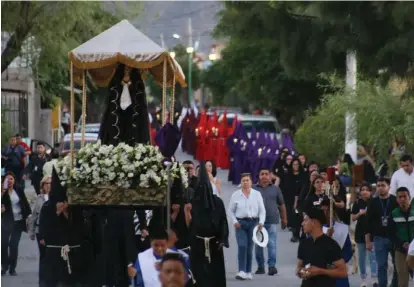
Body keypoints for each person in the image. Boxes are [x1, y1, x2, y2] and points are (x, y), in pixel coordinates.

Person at [39, 170, 88, 286]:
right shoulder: (47, 207)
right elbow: (44, 230)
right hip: (55, 256)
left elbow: (80, 228)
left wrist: (67, 213)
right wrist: (57, 212)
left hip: (74, 254)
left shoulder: (75, 209)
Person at [189, 163, 229, 287]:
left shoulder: (217, 202)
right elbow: (190, 225)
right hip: (197, 245)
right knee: (199, 276)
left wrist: (222, 239)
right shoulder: (192, 203)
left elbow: (223, 221)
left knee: (214, 275)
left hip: (214, 245)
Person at [296, 207, 347, 287]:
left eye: (305, 220)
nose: (302, 223)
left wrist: (321, 271)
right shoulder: (304, 243)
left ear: (314, 223)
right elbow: (299, 268)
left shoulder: (331, 245)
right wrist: (302, 272)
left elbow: (343, 272)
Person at [229, 173, 266, 280]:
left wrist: (261, 222)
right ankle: (241, 270)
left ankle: (248, 271)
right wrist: (234, 221)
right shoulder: (236, 195)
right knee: (242, 245)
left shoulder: (257, 194)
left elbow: (262, 210)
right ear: (241, 182)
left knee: (249, 247)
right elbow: (230, 210)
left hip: (253, 223)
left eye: (247, 180)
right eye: (243, 181)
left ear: (251, 182)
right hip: (240, 223)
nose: (245, 182)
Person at [365, 177, 398, 287]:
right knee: (381, 265)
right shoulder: (373, 202)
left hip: (394, 238)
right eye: (378, 186)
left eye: (382, 185)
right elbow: (368, 223)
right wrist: (368, 241)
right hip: (379, 238)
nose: (380, 188)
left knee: (397, 265)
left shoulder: (395, 200)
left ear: (389, 187)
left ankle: (394, 284)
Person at [253, 168, 287, 276]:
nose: (264, 176)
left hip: (272, 220)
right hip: (257, 222)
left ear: (270, 176)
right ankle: (260, 267)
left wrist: (284, 219)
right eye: (262, 174)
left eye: (266, 174)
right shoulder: (253, 189)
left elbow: (282, 205)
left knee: (271, 244)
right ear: (259, 176)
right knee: (259, 245)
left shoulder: (275, 189)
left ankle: (272, 266)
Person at [1, 171, 31, 276]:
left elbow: (26, 205)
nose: (9, 181)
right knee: (3, 244)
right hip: (6, 221)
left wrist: (27, 218)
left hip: (18, 221)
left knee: (13, 245)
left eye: (11, 179)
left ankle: (12, 268)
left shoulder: (18, 190)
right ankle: (4, 266)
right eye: (7, 179)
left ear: (14, 181)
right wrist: (2, 192)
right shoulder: (2, 192)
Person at [320, 199, 353, 287]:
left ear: (333, 212)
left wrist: (340, 262)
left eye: (328, 211)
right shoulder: (316, 228)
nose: (325, 213)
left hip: (338, 268)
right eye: (323, 210)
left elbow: (348, 250)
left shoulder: (342, 228)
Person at [351, 183, 378, 287]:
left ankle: (374, 278)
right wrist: (360, 213)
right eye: (362, 189)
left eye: (367, 189)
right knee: (361, 257)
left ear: (371, 192)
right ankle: (363, 279)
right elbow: (353, 218)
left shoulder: (374, 202)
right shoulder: (357, 203)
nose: (364, 191)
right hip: (360, 232)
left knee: (373, 256)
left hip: (372, 231)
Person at [388, 187, 414, 287]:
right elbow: (390, 234)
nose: (403, 199)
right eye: (400, 197)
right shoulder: (393, 214)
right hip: (400, 251)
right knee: (403, 281)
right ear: (397, 199)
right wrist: (401, 244)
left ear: (409, 197)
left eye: (405, 196)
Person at [28, 176, 51, 286]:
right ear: (42, 186)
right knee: (43, 256)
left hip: (53, 230)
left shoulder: (56, 197)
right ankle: (43, 281)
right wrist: (31, 231)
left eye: (51, 183)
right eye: (46, 183)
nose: (49, 185)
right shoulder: (39, 198)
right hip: (40, 230)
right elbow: (33, 216)